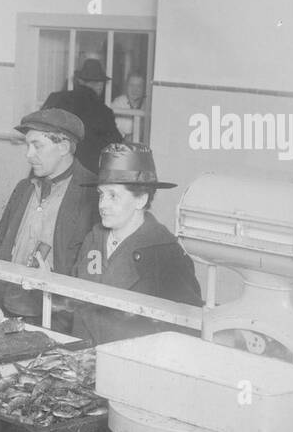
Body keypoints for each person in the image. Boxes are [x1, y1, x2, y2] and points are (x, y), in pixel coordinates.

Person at [72, 141, 202, 345]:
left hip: (130, 364)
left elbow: (187, 325)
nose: (102, 204)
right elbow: (78, 302)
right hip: (82, 357)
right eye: (101, 194)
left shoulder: (165, 252)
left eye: (113, 195)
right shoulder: (93, 239)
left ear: (141, 199)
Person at [0, 108, 100, 320]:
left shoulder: (93, 194)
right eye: (27, 145)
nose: (28, 155)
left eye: (37, 146)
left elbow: (94, 273)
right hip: (9, 308)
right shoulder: (24, 188)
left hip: (57, 317)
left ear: (64, 147)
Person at [43, 58, 122, 173]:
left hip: (50, 170)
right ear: (100, 85)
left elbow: (38, 130)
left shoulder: (55, 98)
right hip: (85, 177)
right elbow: (116, 145)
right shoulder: (104, 112)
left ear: (79, 81)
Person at [111, 73, 148, 138]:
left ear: (144, 89)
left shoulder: (148, 104)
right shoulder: (117, 103)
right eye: (131, 85)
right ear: (126, 86)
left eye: (139, 86)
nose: (134, 90)